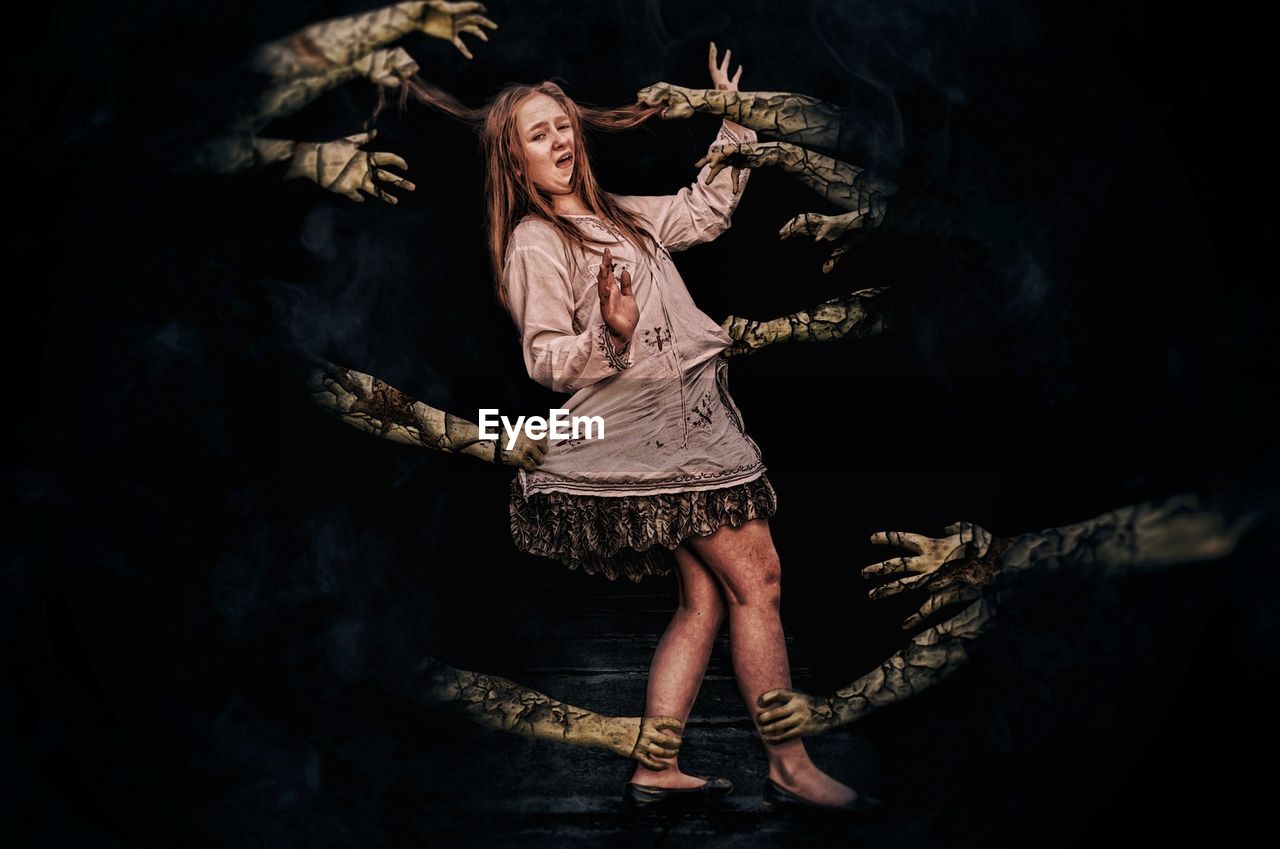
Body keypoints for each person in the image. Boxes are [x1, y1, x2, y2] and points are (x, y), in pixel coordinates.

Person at [483, 43, 875, 813]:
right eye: (538, 133)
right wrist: (616, 334)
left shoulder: (619, 214)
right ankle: (789, 764)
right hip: (654, 432)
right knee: (758, 580)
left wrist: (730, 119)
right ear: (513, 159)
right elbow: (545, 360)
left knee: (705, 597)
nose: (560, 140)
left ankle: (655, 768)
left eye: (563, 125)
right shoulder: (536, 241)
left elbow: (706, 211)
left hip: (691, 420)